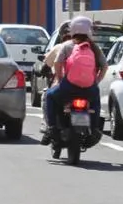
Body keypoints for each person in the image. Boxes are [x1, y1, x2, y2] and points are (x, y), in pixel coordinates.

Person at [41, 16, 107, 145]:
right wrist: (96, 82)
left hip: (68, 88)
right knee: (96, 100)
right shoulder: (94, 47)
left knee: (49, 96)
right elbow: (104, 66)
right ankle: (94, 129)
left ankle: (52, 128)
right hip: (89, 89)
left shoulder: (66, 46)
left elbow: (57, 63)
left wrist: (60, 80)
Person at [39, 24, 71, 137]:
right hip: (85, 87)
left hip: (62, 86)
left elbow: (46, 65)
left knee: (46, 97)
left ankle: (49, 127)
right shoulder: (88, 47)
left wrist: (43, 71)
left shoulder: (59, 47)